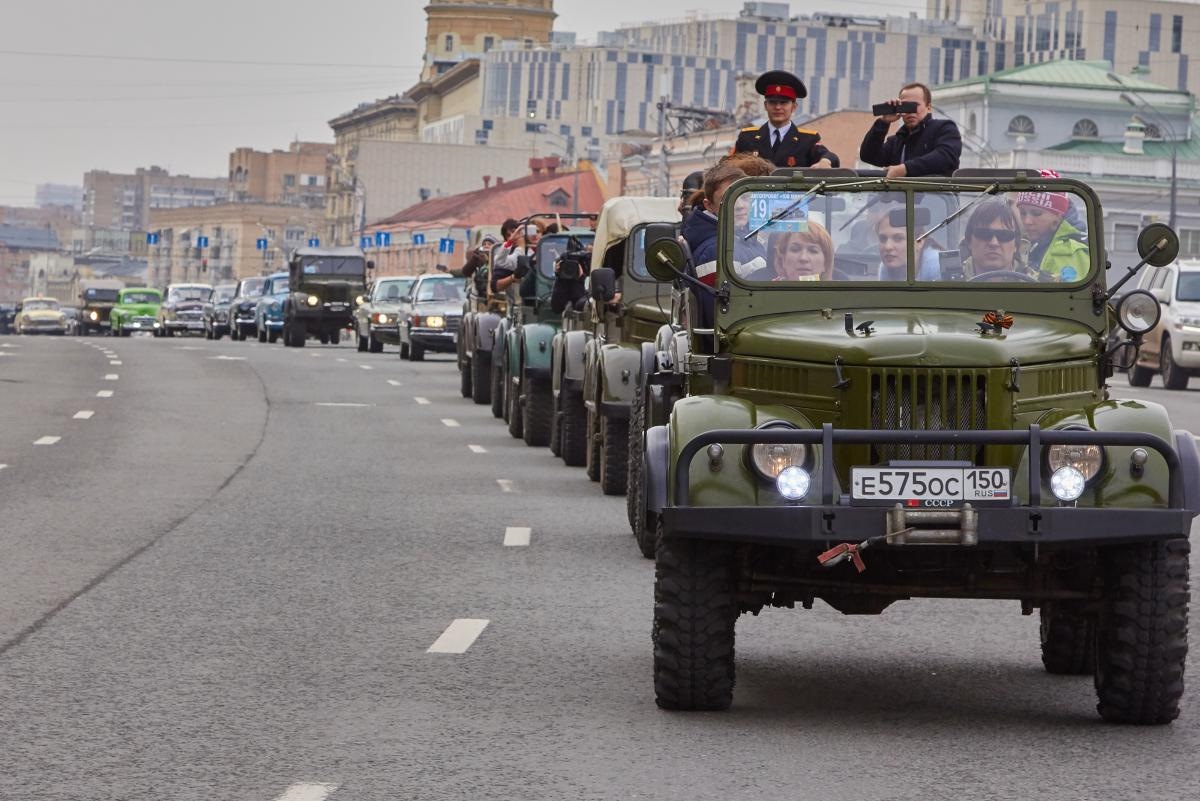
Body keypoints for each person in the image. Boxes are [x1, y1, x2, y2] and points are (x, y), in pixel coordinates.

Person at [733, 70, 838, 169]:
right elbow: (729, 165)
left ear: (794, 107)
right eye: (773, 102)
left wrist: (824, 161)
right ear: (765, 105)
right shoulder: (747, 138)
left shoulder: (807, 140)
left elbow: (830, 156)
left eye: (783, 102)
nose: (778, 107)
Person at [859, 82, 961, 178]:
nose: (911, 111)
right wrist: (883, 123)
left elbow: (946, 157)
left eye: (915, 105)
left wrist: (905, 169)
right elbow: (868, 156)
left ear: (929, 107)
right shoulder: (897, 140)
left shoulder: (944, 128)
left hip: (937, 194)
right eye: (906, 106)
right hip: (901, 196)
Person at [1015, 190, 1090, 281]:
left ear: (1058, 217)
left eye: (1036, 213)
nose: (1027, 221)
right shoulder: (1032, 245)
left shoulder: (1068, 251)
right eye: (1022, 213)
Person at [960, 199, 1027, 278]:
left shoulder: (1037, 283)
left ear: (1016, 244)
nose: (994, 243)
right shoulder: (946, 281)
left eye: (1004, 235)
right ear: (969, 241)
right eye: (984, 233)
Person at [875, 209, 940, 281]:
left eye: (898, 238)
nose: (888, 246)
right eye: (882, 239)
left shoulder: (937, 265)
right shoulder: (886, 268)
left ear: (920, 241)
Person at [765, 222, 835, 281]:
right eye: (795, 250)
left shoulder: (840, 295)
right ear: (783, 260)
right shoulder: (763, 294)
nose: (803, 258)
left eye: (813, 251)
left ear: (825, 263)